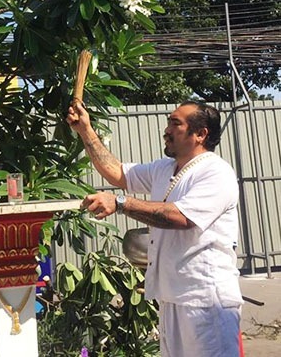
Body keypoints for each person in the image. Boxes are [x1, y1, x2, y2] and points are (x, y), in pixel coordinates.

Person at [66, 100, 243, 357]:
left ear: (200, 134)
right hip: (173, 298)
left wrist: (119, 202)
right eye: (168, 122)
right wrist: (85, 130)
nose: (167, 130)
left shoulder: (216, 172)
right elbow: (118, 173)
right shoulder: (165, 168)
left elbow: (181, 218)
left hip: (206, 301)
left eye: (176, 124)